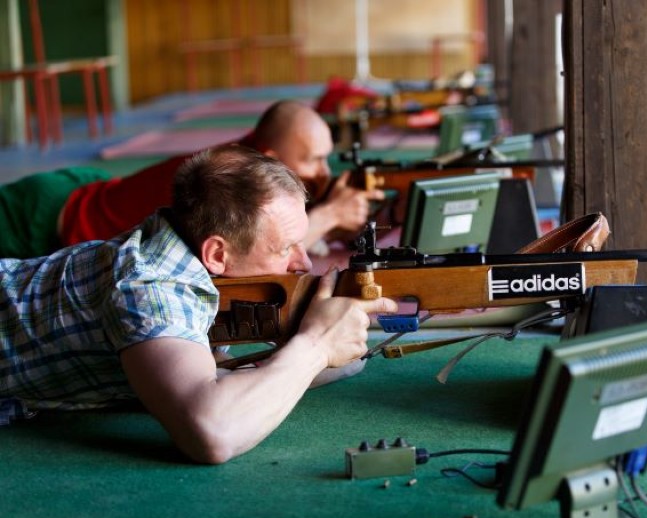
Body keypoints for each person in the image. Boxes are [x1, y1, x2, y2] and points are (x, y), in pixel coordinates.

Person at [0, 145, 398, 464]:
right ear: (218, 255)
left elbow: (229, 373)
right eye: (285, 248)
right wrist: (316, 346)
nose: (305, 263)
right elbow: (212, 434)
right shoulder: (151, 287)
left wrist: (321, 344)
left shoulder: (179, 245)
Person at [0, 99, 384, 259]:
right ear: (272, 159)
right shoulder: (230, 181)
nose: (324, 172)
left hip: (98, 188)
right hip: (45, 216)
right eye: (314, 160)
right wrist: (330, 216)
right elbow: (256, 258)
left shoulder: (255, 164)